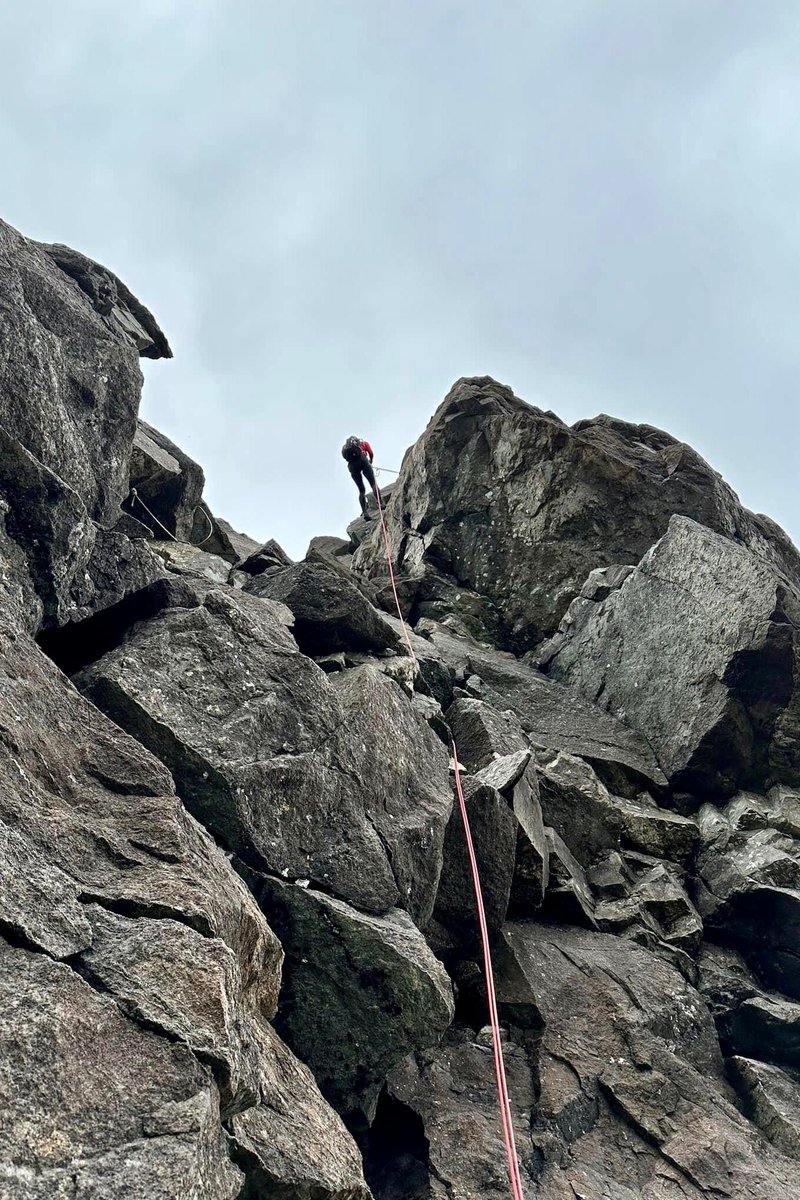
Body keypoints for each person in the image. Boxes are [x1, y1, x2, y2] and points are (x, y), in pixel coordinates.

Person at [341, 436, 378, 519]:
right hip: (363, 461)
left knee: (361, 491)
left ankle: (365, 512)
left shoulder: (348, 451)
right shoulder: (364, 444)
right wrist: (370, 461)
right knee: (373, 484)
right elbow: (371, 453)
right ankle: (381, 504)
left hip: (352, 467)